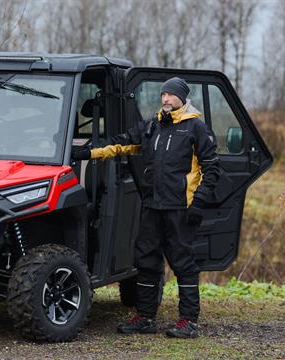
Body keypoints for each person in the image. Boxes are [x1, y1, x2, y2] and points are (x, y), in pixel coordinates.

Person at [72, 77, 220, 338]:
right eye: (163, 95)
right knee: (146, 259)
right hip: (152, 205)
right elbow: (120, 143)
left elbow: (212, 169)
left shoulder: (196, 128)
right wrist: (87, 153)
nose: (165, 99)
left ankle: (188, 321)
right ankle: (145, 317)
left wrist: (198, 203)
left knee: (183, 262)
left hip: (180, 207)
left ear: (182, 99)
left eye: (171, 95)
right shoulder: (153, 126)